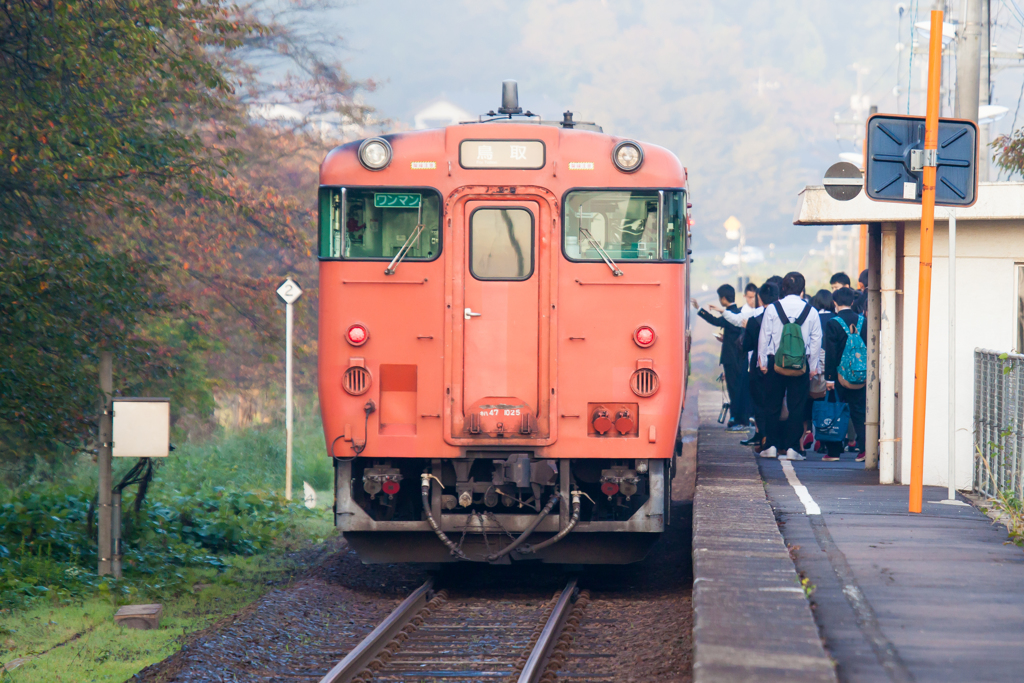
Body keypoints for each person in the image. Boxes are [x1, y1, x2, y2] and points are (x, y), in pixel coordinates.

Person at [756, 271, 822, 460]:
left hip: (775, 363)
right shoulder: (811, 311)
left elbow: (764, 336)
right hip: (801, 364)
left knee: (772, 405)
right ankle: (793, 448)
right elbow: (816, 340)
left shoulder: (772, 309)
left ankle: (771, 446)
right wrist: (813, 366)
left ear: (782, 288)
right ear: (802, 290)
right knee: (797, 406)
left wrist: (762, 361)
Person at [693, 284, 750, 431]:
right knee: (740, 387)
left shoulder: (730, 313)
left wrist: (699, 309)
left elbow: (715, 321)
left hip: (732, 357)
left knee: (734, 389)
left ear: (723, 298)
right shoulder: (739, 311)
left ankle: (736, 419)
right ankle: (739, 418)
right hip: (741, 357)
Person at [823, 286, 868, 462]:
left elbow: (831, 353)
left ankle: (834, 452)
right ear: (852, 302)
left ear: (834, 302)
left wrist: (829, 378)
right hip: (859, 374)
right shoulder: (863, 321)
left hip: (839, 377)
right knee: (859, 412)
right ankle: (865, 449)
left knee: (836, 410)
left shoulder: (833, 323)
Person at [742, 281, 779, 451]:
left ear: (760, 298)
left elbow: (746, 346)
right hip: (780, 364)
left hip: (758, 367)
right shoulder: (783, 318)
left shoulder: (754, 320)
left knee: (759, 404)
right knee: (776, 402)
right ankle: (778, 441)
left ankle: (764, 437)